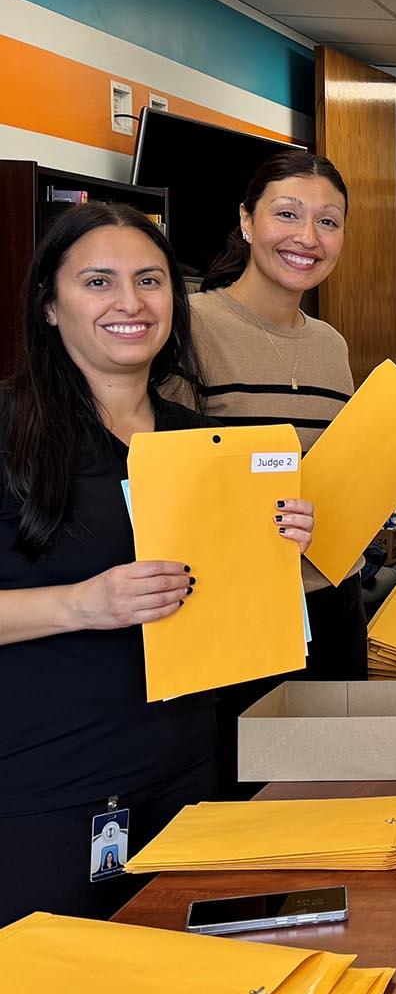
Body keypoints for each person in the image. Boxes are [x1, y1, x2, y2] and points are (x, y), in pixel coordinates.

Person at [0, 203, 312, 924]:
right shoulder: (11, 432)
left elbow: (232, 609)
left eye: (149, 280)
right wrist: (81, 603)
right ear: (49, 305)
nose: (131, 304)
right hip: (47, 788)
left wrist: (279, 546)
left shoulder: (204, 443)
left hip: (187, 773)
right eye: (98, 283)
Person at [185, 151, 364, 797]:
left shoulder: (331, 345)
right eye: (287, 215)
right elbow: (167, 483)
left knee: (330, 795)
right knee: (248, 805)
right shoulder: (191, 326)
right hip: (239, 613)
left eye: (328, 221)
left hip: (331, 600)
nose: (307, 238)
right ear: (246, 221)